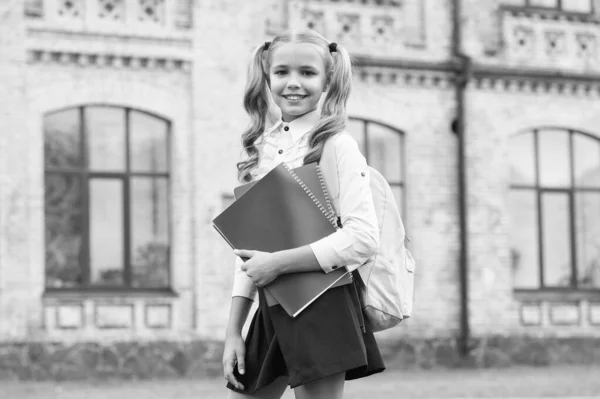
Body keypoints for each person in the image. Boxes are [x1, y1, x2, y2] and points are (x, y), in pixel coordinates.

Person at [224, 29, 385, 399]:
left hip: (323, 302)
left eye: (307, 73)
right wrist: (234, 330)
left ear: (327, 79)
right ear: (267, 77)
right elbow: (250, 254)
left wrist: (277, 263)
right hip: (271, 305)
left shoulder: (338, 146)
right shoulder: (262, 149)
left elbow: (363, 238)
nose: (293, 83)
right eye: (281, 72)